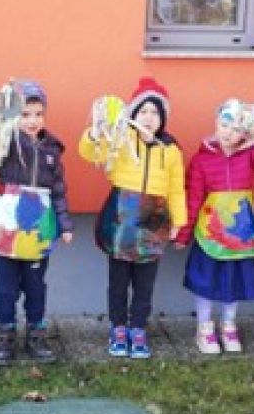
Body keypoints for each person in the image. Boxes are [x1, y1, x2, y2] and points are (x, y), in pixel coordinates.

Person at [79, 77, 186, 359]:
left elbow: (176, 188)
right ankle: (118, 328)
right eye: (143, 111)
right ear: (132, 115)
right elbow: (91, 152)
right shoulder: (121, 139)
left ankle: (138, 328)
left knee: (144, 283)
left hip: (154, 219)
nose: (149, 118)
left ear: (163, 118)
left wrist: (179, 222)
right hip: (122, 218)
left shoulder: (171, 150)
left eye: (155, 112)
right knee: (118, 280)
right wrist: (96, 132)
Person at [0, 80, 72, 365]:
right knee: (5, 285)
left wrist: (64, 224)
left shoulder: (52, 150)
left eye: (38, 114)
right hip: (7, 223)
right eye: (25, 114)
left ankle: (36, 332)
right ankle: (5, 333)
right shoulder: (6, 141)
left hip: (38, 226)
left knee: (35, 284)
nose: (32, 120)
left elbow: (58, 190)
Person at [178, 99, 254, 355]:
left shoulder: (250, 156)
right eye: (225, 125)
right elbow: (193, 198)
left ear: (244, 134)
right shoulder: (201, 160)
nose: (228, 133)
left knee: (234, 280)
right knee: (205, 280)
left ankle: (228, 325)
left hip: (240, 235)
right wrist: (184, 232)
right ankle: (204, 327)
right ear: (216, 124)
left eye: (236, 129)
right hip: (211, 234)